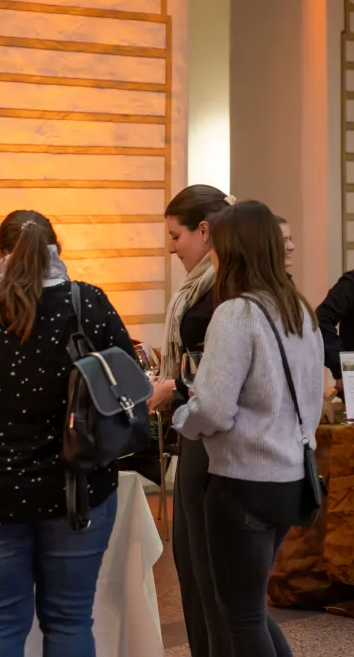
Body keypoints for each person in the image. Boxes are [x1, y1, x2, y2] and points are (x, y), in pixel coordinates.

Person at [0, 211, 132, 656]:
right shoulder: (90, 304)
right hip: (76, 487)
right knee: (70, 619)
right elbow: (128, 383)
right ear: (56, 250)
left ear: (0, 254)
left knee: (0, 619)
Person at [173, 200, 322, 657]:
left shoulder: (237, 312)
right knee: (248, 610)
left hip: (242, 482)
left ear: (232, 249)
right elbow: (313, 399)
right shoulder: (298, 307)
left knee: (239, 615)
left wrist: (182, 417)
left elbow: (214, 408)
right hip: (290, 477)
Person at [148, 185, 233, 657]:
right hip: (194, 430)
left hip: (212, 438)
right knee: (192, 566)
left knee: (210, 572)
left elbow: (218, 376)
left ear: (204, 230)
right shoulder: (203, 284)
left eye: (175, 234)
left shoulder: (224, 288)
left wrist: (172, 390)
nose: (170, 245)